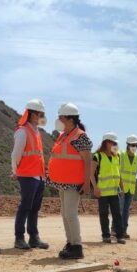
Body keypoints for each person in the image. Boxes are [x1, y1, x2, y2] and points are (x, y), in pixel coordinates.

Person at [47, 102, 92, 260]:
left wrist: (87, 183)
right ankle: (70, 243)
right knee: (65, 214)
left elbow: (88, 161)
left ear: (70, 119)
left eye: (61, 117)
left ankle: (77, 246)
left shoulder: (80, 136)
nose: (58, 120)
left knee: (70, 214)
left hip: (74, 183)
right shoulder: (64, 135)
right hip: (63, 182)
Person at [11, 99, 49, 250]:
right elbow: (16, 154)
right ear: (32, 114)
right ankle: (19, 238)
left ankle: (34, 237)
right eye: (40, 113)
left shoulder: (36, 131)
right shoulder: (22, 131)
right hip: (27, 175)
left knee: (35, 208)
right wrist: (15, 171)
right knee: (25, 206)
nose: (42, 116)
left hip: (38, 176)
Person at [92, 132, 125, 244]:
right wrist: (95, 188)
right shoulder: (98, 156)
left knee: (117, 215)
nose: (115, 144)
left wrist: (122, 188)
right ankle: (106, 236)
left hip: (114, 191)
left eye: (115, 143)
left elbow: (118, 173)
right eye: (113, 142)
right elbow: (91, 174)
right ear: (106, 143)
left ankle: (120, 236)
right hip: (102, 192)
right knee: (104, 215)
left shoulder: (118, 156)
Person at [119, 134, 137, 239]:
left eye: (136, 145)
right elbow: (117, 171)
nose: (134, 147)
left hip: (131, 188)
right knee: (120, 209)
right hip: (121, 188)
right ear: (127, 145)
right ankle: (116, 230)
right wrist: (119, 187)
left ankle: (123, 231)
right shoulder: (121, 155)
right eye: (132, 145)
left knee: (126, 210)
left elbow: (135, 172)